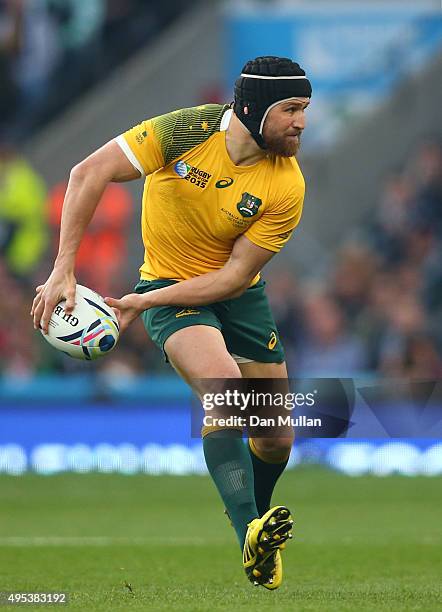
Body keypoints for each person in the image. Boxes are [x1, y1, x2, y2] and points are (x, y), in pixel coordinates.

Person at [31, 56, 312, 589]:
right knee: (226, 392)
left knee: (276, 437)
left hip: (238, 296)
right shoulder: (186, 130)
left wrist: (134, 308)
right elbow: (88, 172)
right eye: (291, 109)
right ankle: (248, 530)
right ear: (253, 109)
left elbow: (232, 279)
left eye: (304, 110)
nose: (301, 122)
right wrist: (65, 266)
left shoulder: (288, 184)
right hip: (167, 290)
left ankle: (256, 526)